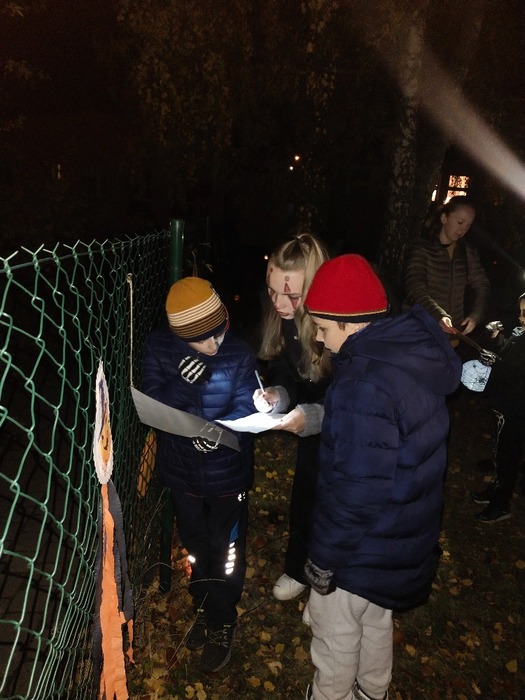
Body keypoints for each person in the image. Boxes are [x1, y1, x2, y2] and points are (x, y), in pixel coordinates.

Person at [300, 254, 462, 700]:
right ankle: (374, 691)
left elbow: (356, 491)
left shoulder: (364, 384)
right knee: (374, 619)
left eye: (322, 327)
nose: (318, 337)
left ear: (349, 324)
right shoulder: (406, 359)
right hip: (400, 539)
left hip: (361, 549)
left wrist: (324, 559)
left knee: (334, 631)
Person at [141, 277, 258, 672]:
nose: (213, 346)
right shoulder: (159, 348)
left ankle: (222, 620)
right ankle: (204, 602)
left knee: (226, 550)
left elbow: (248, 406)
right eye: (201, 339)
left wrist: (220, 433)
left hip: (227, 475)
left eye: (217, 332)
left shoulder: (238, 352)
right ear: (179, 335)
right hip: (183, 473)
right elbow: (151, 405)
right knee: (194, 545)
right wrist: (180, 384)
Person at [253, 233, 333, 601]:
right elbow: (288, 370)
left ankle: (331, 582)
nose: (279, 303)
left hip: (350, 426)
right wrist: (279, 394)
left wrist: (316, 416)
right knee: (305, 494)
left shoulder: (340, 322)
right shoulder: (286, 316)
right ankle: (298, 568)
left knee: (339, 503)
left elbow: (360, 398)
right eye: (272, 291)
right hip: (313, 420)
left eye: (292, 296)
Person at [470, 292, 525, 522]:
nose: (520, 318)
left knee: (508, 457)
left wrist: (495, 363)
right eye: (521, 312)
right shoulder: (520, 333)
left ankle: (501, 504)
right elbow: (508, 357)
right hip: (503, 405)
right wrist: (496, 338)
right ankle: (496, 488)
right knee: (499, 451)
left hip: (516, 410)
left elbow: (516, 374)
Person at [404, 196, 490, 338]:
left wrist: (476, 315)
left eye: (468, 225)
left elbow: (482, 284)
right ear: (444, 218)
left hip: (452, 332)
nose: (464, 229)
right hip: (420, 330)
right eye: (460, 222)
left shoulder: (466, 250)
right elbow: (414, 287)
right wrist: (438, 315)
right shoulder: (422, 248)